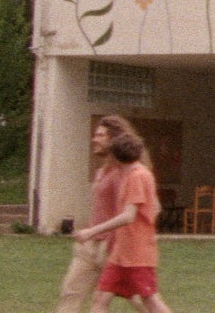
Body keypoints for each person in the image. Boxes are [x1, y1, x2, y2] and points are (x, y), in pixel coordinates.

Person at [76, 131, 172, 313]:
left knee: (151, 300)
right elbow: (156, 208)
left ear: (116, 156)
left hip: (137, 255)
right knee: (100, 299)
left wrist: (91, 231)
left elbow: (129, 216)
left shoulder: (137, 176)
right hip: (121, 254)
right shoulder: (133, 175)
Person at [57, 116, 138, 313]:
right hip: (90, 245)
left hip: (112, 246)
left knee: (138, 298)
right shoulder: (102, 171)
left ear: (114, 140)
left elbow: (128, 213)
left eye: (100, 135)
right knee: (71, 292)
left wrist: (113, 241)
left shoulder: (125, 173)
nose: (94, 139)